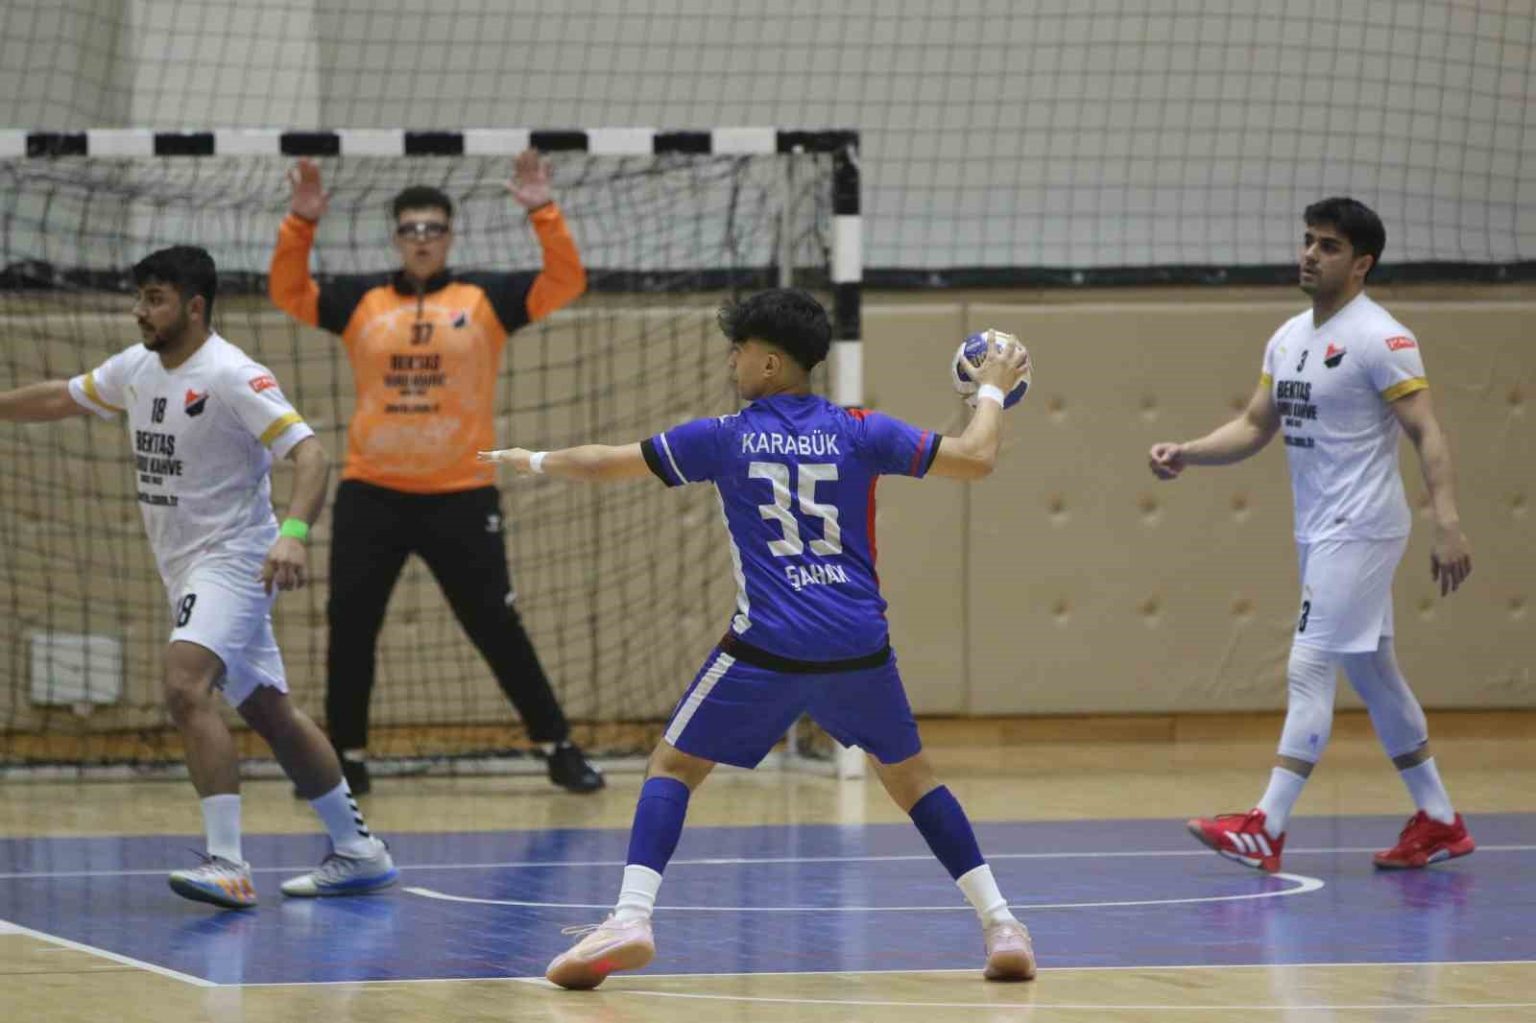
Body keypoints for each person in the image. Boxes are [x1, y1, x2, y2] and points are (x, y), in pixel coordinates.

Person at [479, 288, 1037, 988]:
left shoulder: (725, 436)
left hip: (767, 647)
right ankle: (1001, 923)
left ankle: (630, 917)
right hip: (858, 645)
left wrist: (533, 459)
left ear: (770, 363)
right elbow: (977, 458)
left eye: (738, 351)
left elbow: (602, 463)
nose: (731, 363)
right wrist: (991, 389)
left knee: (671, 768)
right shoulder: (862, 429)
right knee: (914, 780)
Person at [0, 246, 396, 909]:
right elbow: (61, 396)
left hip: (236, 558)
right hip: (184, 567)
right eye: (139, 297)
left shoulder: (231, 374)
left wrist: (294, 534)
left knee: (186, 684)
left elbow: (311, 455)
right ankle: (359, 850)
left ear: (194, 306)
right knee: (270, 710)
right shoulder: (135, 367)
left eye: (154, 298)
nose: (140, 311)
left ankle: (228, 863)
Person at [1149, 197, 1476, 873]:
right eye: (1308, 240)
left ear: (1361, 264)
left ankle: (1265, 826)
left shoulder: (1382, 339)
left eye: (1328, 246)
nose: (1309, 254)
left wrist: (1447, 520)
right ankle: (1441, 820)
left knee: (1309, 667)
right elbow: (1254, 424)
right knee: (1374, 673)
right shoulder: (1289, 338)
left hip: (1361, 527)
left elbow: (1426, 431)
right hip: (1321, 530)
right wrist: (1187, 452)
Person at [267, 149, 601, 795]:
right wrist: (300, 222)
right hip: (372, 494)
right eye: (410, 229)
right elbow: (288, 291)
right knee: (351, 625)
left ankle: (558, 747)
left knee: (496, 625)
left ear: (450, 236)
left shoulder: (485, 297)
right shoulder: (361, 299)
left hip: (462, 496)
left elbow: (566, 281)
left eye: (434, 229)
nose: (422, 239)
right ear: (396, 237)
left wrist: (542, 209)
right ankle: (346, 761)